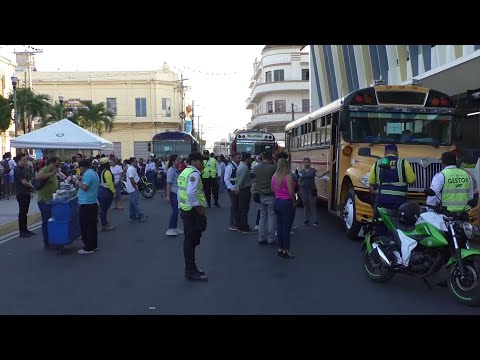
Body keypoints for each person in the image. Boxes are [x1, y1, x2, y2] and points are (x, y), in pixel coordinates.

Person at [177, 152, 208, 281]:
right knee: (191, 242)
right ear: (194, 161)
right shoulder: (194, 174)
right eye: (201, 161)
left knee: (190, 241)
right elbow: (190, 193)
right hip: (192, 212)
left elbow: (180, 192)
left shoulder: (184, 172)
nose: (203, 164)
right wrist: (198, 208)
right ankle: (190, 270)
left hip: (186, 210)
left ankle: (191, 268)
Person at [368, 144, 416, 210]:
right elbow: (411, 181)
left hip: (382, 199)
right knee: (397, 218)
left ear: (385, 153)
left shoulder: (377, 163)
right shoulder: (403, 163)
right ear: (396, 152)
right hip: (399, 200)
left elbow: (371, 182)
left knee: (381, 218)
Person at [272, 158, 297, 258]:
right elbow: (291, 191)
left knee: (279, 226)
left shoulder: (274, 176)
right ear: (287, 165)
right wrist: (294, 202)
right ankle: (286, 249)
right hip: (286, 203)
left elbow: (272, 189)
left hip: (277, 201)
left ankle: (280, 248)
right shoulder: (288, 177)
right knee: (286, 227)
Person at [75, 159, 100, 254]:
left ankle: (88, 248)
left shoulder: (88, 174)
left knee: (86, 226)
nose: (79, 170)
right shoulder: (93, 173)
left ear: (82, 167)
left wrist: (77, 182)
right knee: (92, 226)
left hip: (86, 204)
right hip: (92, 202)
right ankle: (93, 245)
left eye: (79, 168)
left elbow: (85, 187)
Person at [252, 151, 277, 245]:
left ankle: (261, 237)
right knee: (272, 217)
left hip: (259, 195)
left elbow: (254, 180)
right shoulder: (273, 168)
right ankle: (271, 238)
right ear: (271, 158)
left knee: (263, 216)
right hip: (270, 195)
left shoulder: (256, 167)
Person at [36, 157, 61, 249]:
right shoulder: (45, 170)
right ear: (51, 163)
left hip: (52, 200)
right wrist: (52, 173)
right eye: (57, 165)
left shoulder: (53, 171)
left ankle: (53, 240)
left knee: (53, 221)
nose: (58, 167)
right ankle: (47, 242)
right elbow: (38, 176)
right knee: (46, 222)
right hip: (44, 201)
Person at [14, 153, 36, 238]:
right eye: (24, 159)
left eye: (26, 159)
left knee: (25, 212)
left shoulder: (24, 168)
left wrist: (30, 188)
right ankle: (22, 231)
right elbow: (23, 182)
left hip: (26, 192)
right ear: (19, 160)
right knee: (22, 212)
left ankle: (25, 229)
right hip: (21, 193)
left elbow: (28, 179)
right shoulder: (17, 169)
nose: (25, 161)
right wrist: (32, 187)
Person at [298, 157, 320, 226]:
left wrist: (326, 172)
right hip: (303, 190)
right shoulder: (301, 172)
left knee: (312, 205)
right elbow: (299, 180)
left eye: (307, 162)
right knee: (305, 205)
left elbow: (319, 176)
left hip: (312, 189)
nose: (306, 163)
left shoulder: (313, 170)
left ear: (310, 163)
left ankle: (315, 221)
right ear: (303, 163)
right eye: (305, 162)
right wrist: (299, 187)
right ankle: (306, 220)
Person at [236, 152, 255, 233]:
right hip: (244, 189)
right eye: (250, 158)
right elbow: (242, 179)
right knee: (244, 209)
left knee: (241, 208)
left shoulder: (240, 166)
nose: (251, 160)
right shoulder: (244, 167)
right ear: (247, 159)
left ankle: (240, 225)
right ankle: (244, 227)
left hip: (241, 189)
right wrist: (238, 188)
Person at [165, 154, 184, 236]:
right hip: (173, 193)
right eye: (178, 160)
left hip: (178, 193)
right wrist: (168, 196)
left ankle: (175, 227)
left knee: (177, 211)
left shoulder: (177, 169)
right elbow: (168, 184)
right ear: (173, 161)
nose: (180, 161)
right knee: (175, 211)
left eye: (180, 160)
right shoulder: (171, 170)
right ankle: (170, 229)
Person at [126, 157, 149, 222]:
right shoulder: (131, 169)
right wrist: (135, 187)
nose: (137, 162)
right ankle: (140, 216)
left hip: (132, 188)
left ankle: (132, 216)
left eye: (137, 161)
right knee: (136, 203)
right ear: (132, 162)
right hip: (133, 189)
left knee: (132, 203)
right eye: (135, 161)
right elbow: (131, 179)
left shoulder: (133, 169)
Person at [97, 157, 116, 231]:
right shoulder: (107, 171)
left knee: (103, 209)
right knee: (104, 210)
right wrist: (114, 192)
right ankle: (104, 225)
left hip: (101, 191)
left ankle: (105, 223)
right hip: (107, 192)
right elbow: (109, 183)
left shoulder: (99, 171)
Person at [224, 152, 241, 231]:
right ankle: (231, 224)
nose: (239, 159)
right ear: (234, 158)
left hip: (237, 189)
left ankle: (236, 223)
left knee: (237, 206)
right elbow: (226, 179)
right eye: (238, 157)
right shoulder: (229, 167)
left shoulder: (238, 166)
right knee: (234, 206)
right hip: (233, 190)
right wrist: (231, 188)